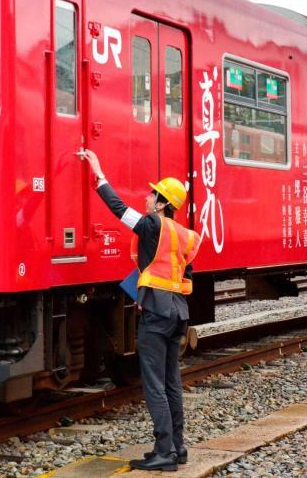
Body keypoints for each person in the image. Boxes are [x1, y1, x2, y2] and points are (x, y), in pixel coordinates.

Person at [78, 148, 201, 472]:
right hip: (179, 312)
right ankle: (177, 447)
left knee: (155, 384)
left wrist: (99, 175)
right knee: (172, 381)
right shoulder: (185, 236)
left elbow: (119, 210)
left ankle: (164, 453)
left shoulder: (151, 226)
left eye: (152, 194)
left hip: (157, 315)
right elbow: (185, 275)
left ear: (161, 204)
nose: (146, 198)